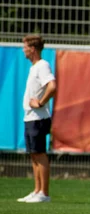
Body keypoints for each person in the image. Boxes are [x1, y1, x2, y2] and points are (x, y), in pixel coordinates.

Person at [18, 35, 56, 203]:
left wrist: (40, 102)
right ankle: (37, 190)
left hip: (38, 118)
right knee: (34, 154)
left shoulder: (42, 65)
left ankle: (44, 193)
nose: (23, 49)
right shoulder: (34, 67)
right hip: (30, 117)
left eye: (25, 47)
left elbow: (52, 86)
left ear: (32, 49)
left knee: (40, 154)